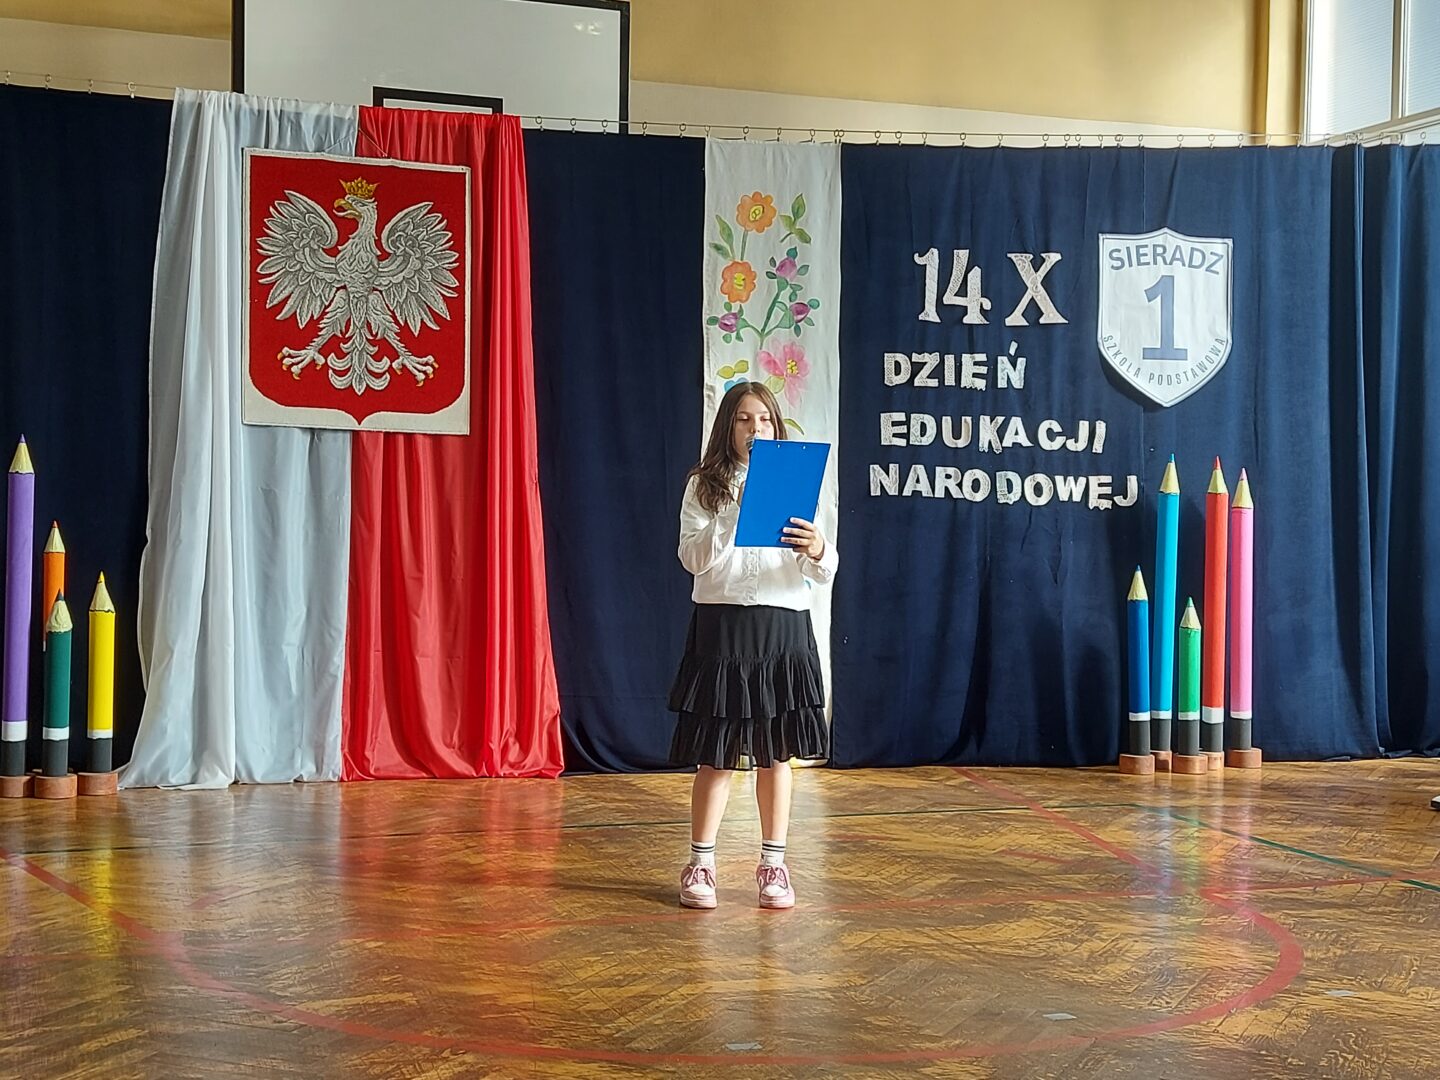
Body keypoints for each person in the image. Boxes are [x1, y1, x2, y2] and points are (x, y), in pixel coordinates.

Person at [667, 381, 838, 910]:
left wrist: (818, 548)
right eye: (743, 418)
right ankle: (701, 864)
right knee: (716, 756)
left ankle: (774, 865)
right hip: (722, 629)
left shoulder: (799, 481)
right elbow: (693, 559)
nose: (754, 428)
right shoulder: (704, 485)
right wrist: (734, 514)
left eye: (763, 418)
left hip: (782, 628)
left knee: (775, 754)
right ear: (728, 426)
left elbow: (824, 569)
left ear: (776, 426)